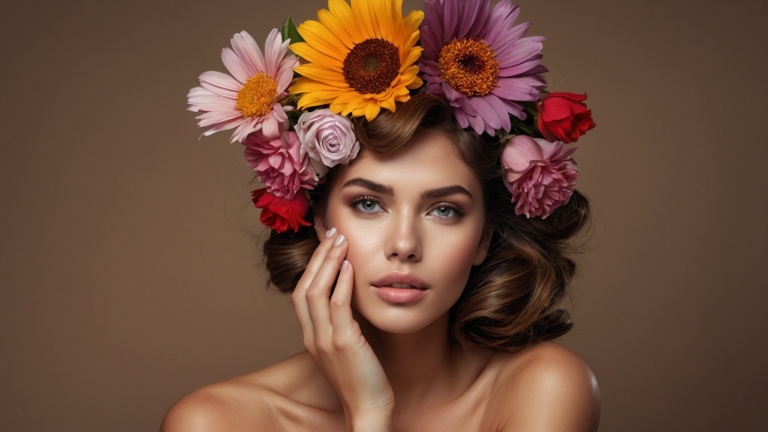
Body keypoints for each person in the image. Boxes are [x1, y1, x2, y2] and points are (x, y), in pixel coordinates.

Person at [166, 0, 600, 430]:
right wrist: (368, 412)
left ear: (484, 237)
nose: (405, 246)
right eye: (368, 204)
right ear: (319, 219)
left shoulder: (545, 388)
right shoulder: (215, 422)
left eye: (444, 210)